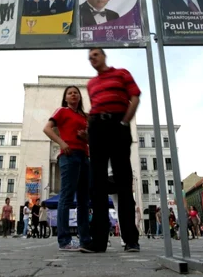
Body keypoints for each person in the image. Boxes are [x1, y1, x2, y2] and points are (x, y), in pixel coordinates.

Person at [80, 48, 141, 254]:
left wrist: (125, 122)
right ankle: (98, 241)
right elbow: (95, 107)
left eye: (95, 55)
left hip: (118, 125)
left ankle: (131, 239)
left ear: (104, 56)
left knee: (123, 182)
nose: (92, 59)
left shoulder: (122, 73)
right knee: (96, 185)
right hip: (97, 127)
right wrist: (89, 131)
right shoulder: (91, 84)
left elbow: (135, 97)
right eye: (89, 57)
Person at [43, 85, 90, 251]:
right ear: (66, 98)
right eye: (70, 93)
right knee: (67, 197)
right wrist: (62, 143)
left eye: (76, 93)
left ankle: (85, 239)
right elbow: (47, 128)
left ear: (80, 97)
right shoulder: (62, 111)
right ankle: (64, 240)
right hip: (69, 156)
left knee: (84, 200)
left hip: (85, 157)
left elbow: (90, 138)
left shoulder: (84, 116)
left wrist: (87, 137)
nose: (73, 95)